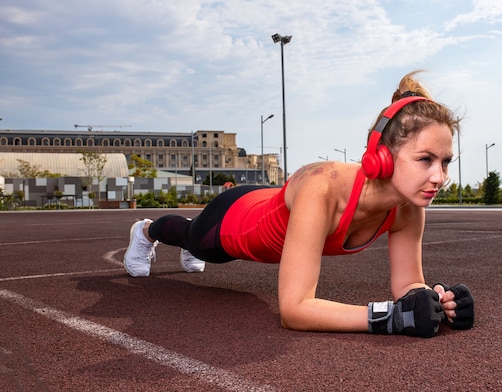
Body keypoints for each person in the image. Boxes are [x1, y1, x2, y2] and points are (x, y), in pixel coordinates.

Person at [123, 70, 474, 338]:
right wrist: (390, 318)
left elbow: (408, 285)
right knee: (192, 237)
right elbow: (294, 311)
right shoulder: (324, 187)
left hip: (267, 206)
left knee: (195, 245)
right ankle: (146, 230)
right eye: (425, 159)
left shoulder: (409, 207)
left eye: (445, 162)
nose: (439, 177)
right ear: (381, 155)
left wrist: (435, 302)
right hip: (236, 220)